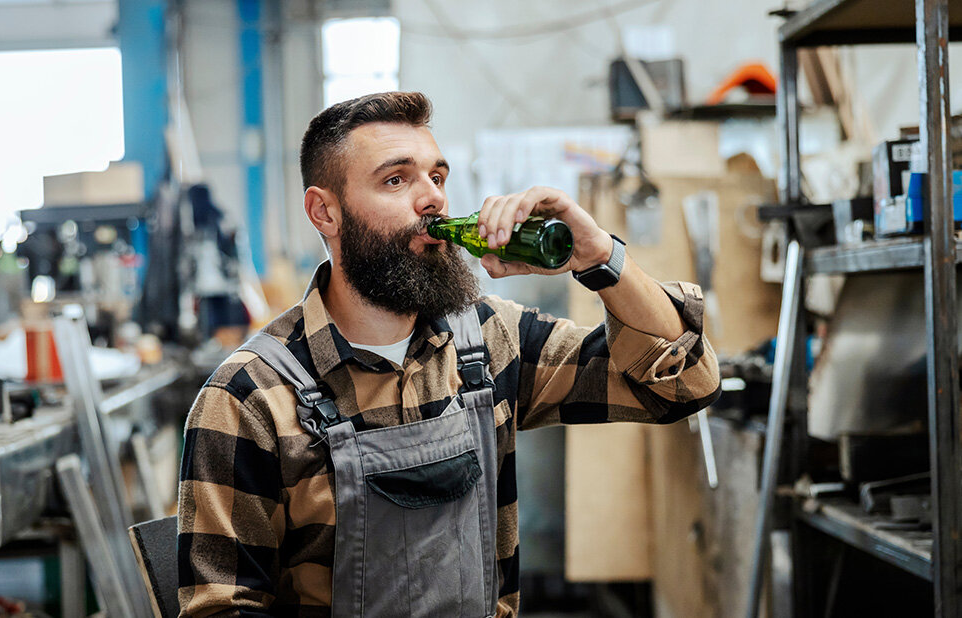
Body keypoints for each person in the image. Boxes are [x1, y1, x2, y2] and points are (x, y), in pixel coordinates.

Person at [177, 91, 720, 617]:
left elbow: (683, 385)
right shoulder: (249, 398)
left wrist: (599, 256)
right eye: (396, 180)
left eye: (436, 177)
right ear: (325, 213)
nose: (433, 199)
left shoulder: (488, 341)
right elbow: (222, 608)